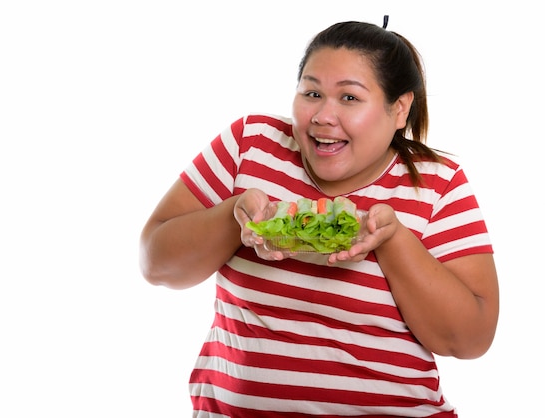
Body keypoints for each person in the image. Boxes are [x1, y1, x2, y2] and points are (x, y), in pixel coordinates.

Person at [139, 18, 499, 417]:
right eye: (312, 92)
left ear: (399, 109)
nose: (323, 116)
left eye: (349, 98)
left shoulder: (435, 183)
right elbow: (156, 266)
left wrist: (394, 240)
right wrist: (232, 215)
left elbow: (469, 340)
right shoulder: (251, 145)